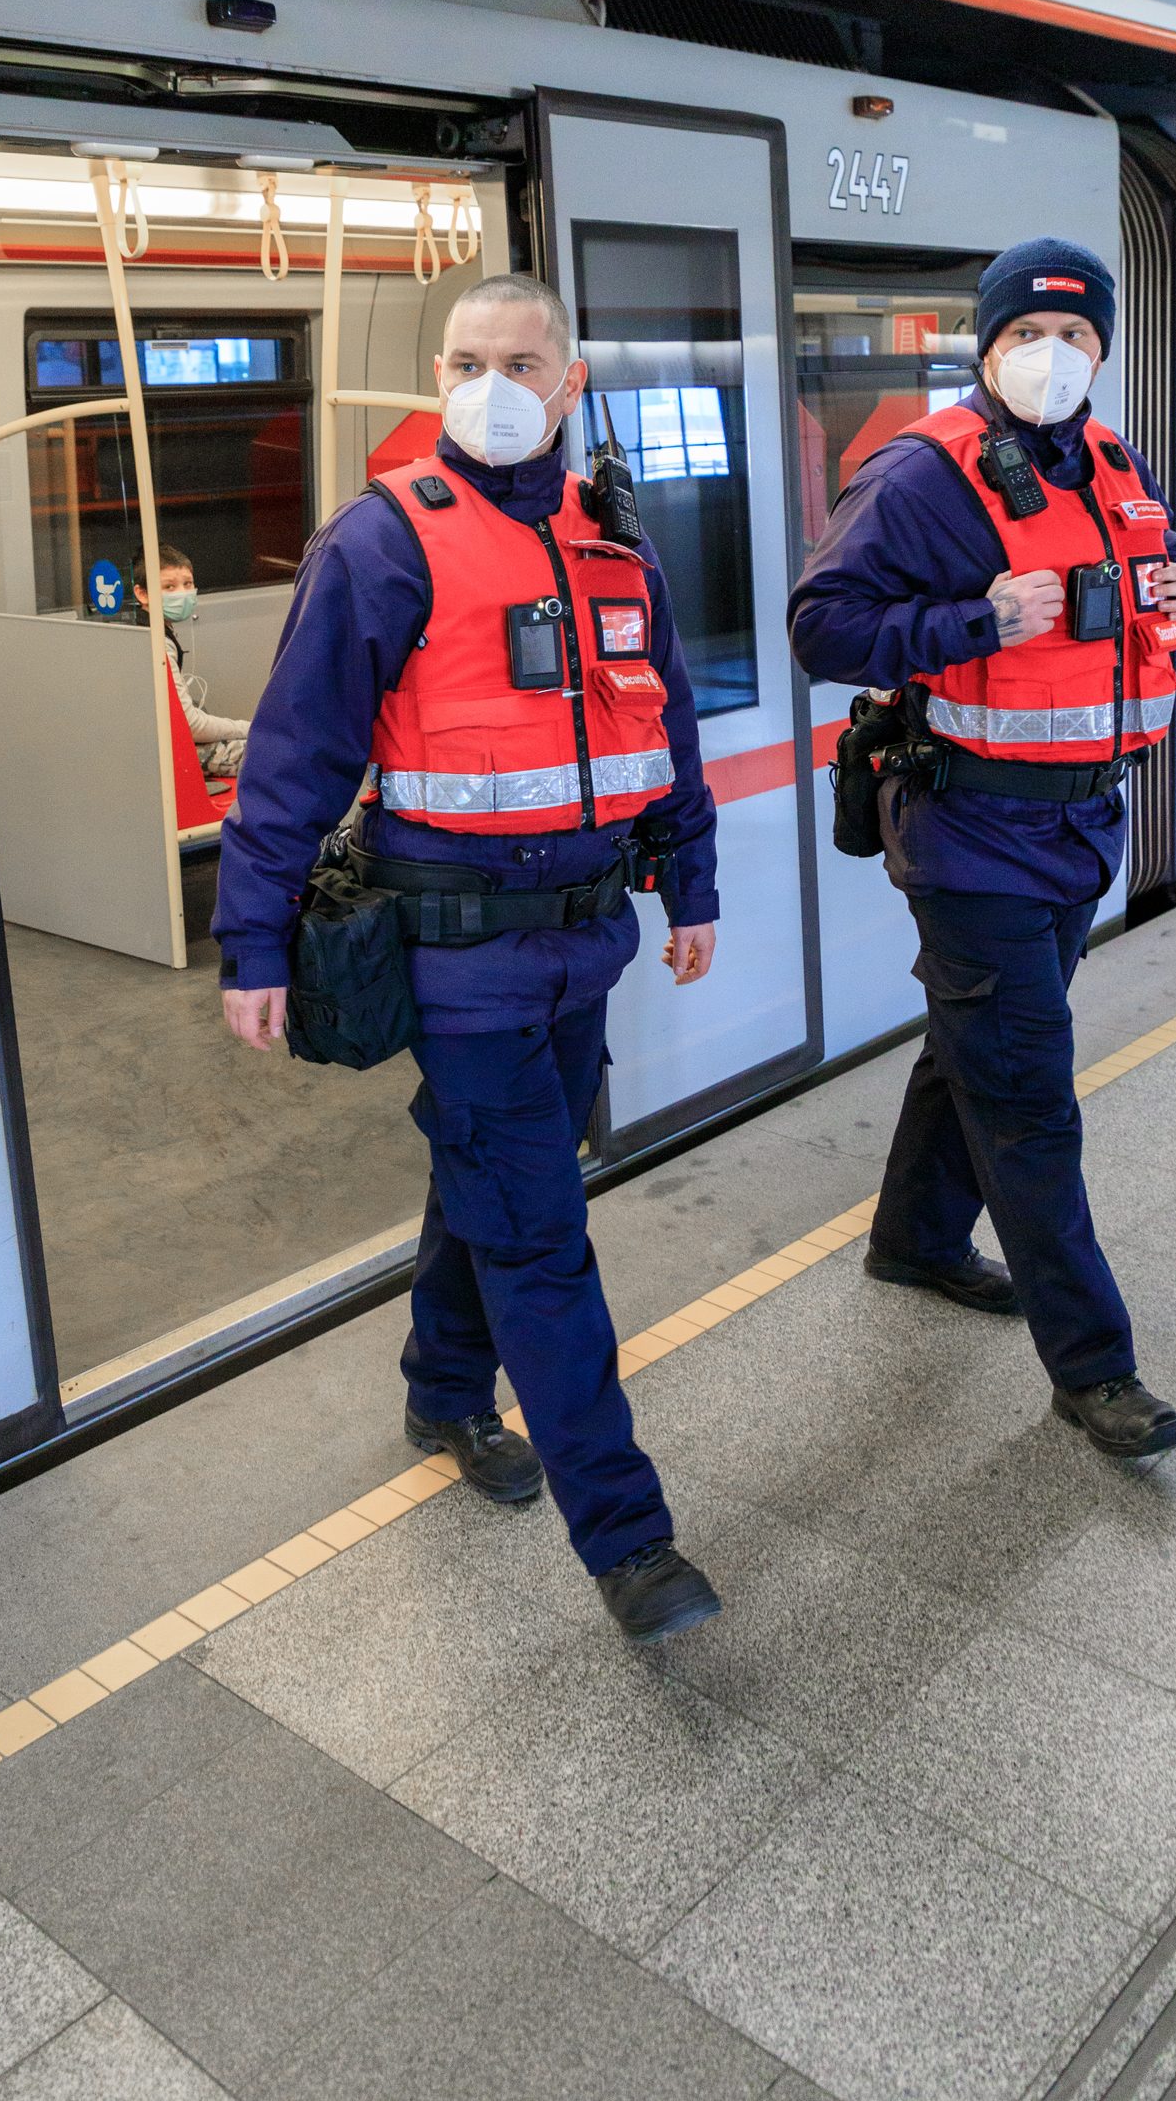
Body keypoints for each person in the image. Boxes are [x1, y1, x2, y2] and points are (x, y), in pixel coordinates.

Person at [214, 272, 723, 1644]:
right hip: (461, 963)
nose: (491, 382)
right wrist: (251, 938)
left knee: (502, 1185)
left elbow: (662, 729)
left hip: (585, 948)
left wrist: (692, 882)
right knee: (542, 1239)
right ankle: (631, 1538)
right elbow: (292, 759)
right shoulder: (382, 544)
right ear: (438, 376)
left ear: (571, 383)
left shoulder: (615, 543)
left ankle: (443, 1388)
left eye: (520, 359)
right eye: (466, 360)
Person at [788, 236, 1176, 1459]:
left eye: (1077, 337)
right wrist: (974, 618)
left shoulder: (1112, 466)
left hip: (1080, 822)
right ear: (984, 343)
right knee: (1027, 1097)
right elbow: (823, 626)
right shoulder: (922, 474)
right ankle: (1095, 1368)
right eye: (1028, 333)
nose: (1053, 356)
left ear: (1103, 352)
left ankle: (912, 1239)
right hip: (973, 832)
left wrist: (1165, 602)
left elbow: (1116, 626)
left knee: (972, 1048)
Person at [133, 543, 251, 775]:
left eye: (187, 584)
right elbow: (191, 726)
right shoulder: (157, 642)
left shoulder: (144, 628)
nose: (182, 593)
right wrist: (249, 728)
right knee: (274, 750)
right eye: (169, 587)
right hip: (164, 750)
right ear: (142, 594)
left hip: (155, 739)